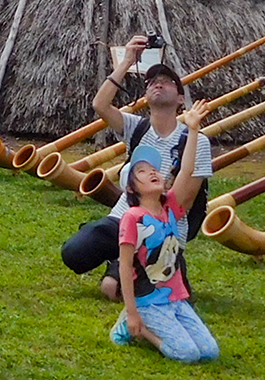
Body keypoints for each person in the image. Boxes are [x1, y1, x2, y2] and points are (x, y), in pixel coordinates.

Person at [61, 36, 212, 302]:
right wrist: (127, 61)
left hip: (163, 230)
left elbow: (182, 201)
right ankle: (123, 256)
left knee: (113, 289)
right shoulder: (137, 128)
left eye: (167, 82)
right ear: (145, 96)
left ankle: (132, 264)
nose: (158, 84)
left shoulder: (194, 140)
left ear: (180, 99)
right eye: (153, 82)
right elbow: (100, 105)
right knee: (74, 252)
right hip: (124, 219)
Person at [109, 101, 220, 364]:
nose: (152, 173)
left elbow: (188, 169)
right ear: (132, 188)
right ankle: (138, 328)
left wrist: (193, 130)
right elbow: (125, 267)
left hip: (175, 298)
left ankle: (143, 322)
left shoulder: (171, 207)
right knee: (188, 354)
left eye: (154, 169)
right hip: (147, 300)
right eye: (142, 171)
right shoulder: (132, 218)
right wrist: (134, 311)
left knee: (210, 352)